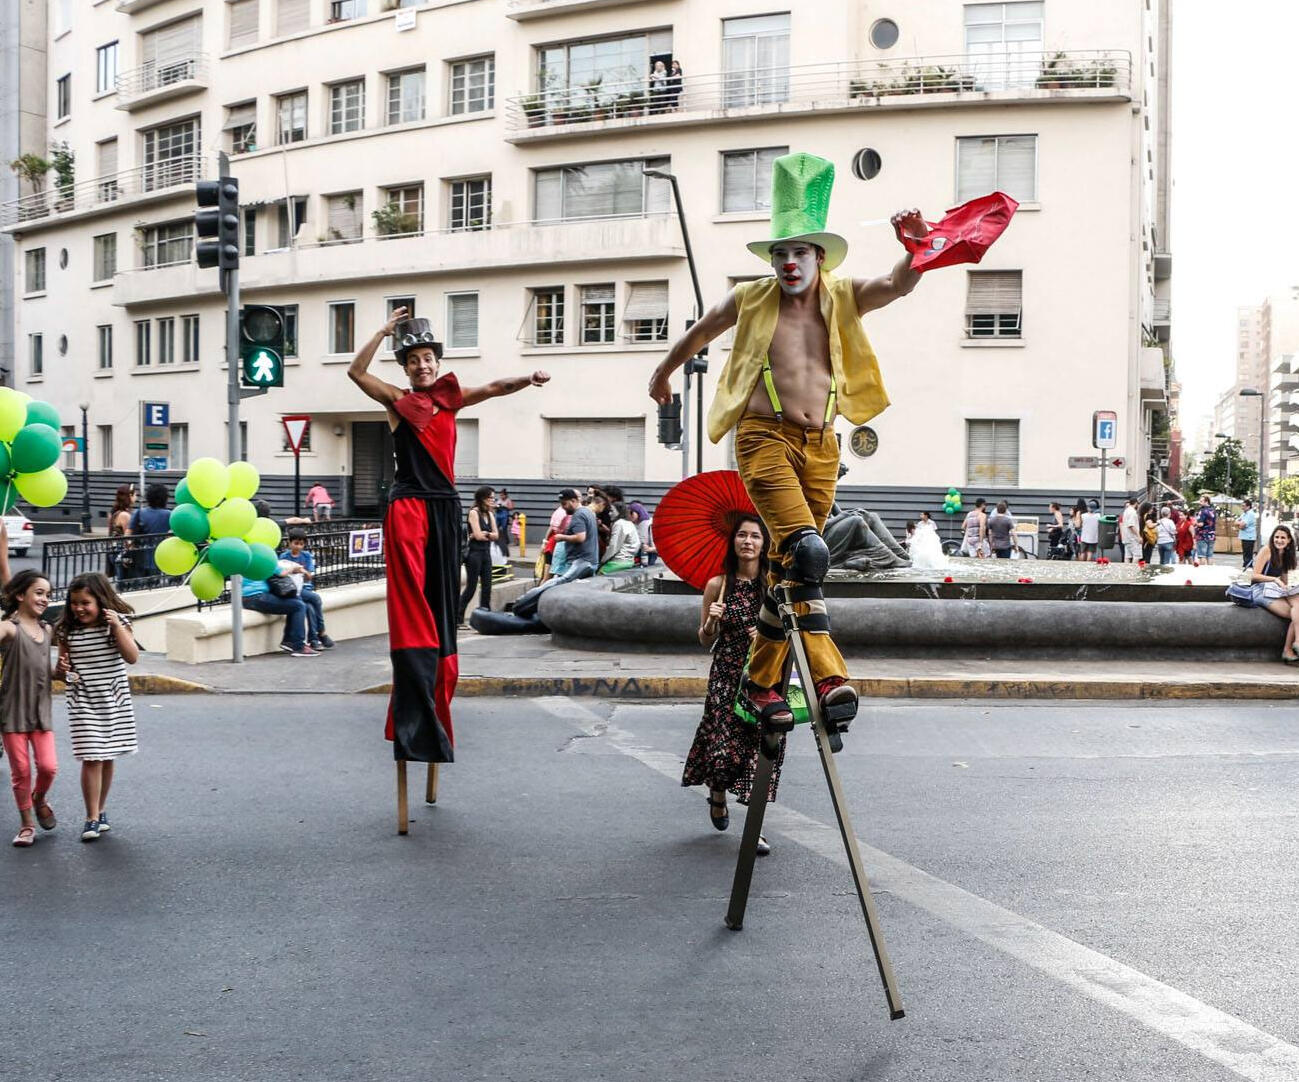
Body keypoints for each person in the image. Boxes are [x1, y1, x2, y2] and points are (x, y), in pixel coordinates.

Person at [649, 151, 927, 730]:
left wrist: (916, 246)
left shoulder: (843, 296)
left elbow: (898, 284)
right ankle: (828, 676)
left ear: (819, 257)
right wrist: (662, 373)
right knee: (808, 552)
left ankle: (759, 685)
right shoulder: (750, 298)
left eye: (799, 252)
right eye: (780, 253)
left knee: (787, 571)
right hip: (763, 437)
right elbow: (700, 331)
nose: (788, 262)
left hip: (823, 444)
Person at [348, 308, 548, 766]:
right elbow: (356, 372)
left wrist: (528, 378)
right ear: (405, 368)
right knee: (412, 596)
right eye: (413, 360)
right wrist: (381, 332)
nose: (422, 365)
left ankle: (437, 675)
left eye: (427, 359)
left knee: (442, 596)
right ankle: (413, 667)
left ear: (437, 363)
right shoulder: (397, 401)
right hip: (410, 505)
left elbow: (495, 388)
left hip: (443, 506)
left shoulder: (451, 401)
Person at [681, 515, 779, 857]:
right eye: (742, 535)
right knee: (723, 744)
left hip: (763, 678)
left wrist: (764, 637)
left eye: (755, 536)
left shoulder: (773, 587)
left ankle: (755, 828)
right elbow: (704, 639)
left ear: (764, 545)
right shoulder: (718, 585)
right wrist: (712, 621)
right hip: (726, 675)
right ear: (733, 542)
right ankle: (718, 793)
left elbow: (788, 636)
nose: (748, 541)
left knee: (760, 752)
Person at [53, 573, 139, 842]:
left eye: (85, 603)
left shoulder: (117, 623)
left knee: (106, 755)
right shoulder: (66, 630)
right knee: (92, 756)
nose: (79, 608)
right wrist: (62, 671)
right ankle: (91, 817)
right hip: (83, 700)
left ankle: (101, 811)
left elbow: (132, 657)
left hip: (113, 700)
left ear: (101, 602)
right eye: (74, 603)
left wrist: (116, 626)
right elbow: (63, 673)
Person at [0, 547, 57, 849]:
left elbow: (44, 669)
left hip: (41, 713)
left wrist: (61, 673)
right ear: (21, 595)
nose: (45, 599)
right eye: (39, 592)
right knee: (21, 771)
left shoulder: (47, 630)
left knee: (48, 768)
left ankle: (39, 797)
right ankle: (26, 824)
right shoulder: (10, 628)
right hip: (12, 713)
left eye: (48, 594)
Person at [279, 528, 334, 650]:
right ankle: (322, 632)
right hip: (292, 588)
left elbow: (309, 575)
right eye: (296, 543)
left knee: (309, 607)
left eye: (301, 544)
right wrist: (295, 570)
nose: (298, 547)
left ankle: (313, 639)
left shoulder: (306, 556)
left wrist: (302, 572)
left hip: (304, 587)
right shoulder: (284, 556)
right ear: (289, 543)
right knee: (316, 598)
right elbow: (282, 573)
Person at [1251, 525, 1299, 662]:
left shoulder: (1286, 554)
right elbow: (1254, 576)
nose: (1279, 540)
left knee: (1297, 603)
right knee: (1295, 613)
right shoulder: (1266, 550)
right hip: (1260, 589)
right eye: (1276, 537)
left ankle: (1295, 644)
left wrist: (1288, 589)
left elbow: (1284, 580)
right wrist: (1275, 580)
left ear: (1289, 540)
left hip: (1275, 590)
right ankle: (1290, 648)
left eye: (1283, 538)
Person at [459, 486, 497, 625]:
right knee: (471, 587)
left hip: (486, 553)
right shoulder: (474, 513)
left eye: (493, 498)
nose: (493, 500)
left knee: (487, 586)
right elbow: (479, 535)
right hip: (474, 554)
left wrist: (486, 534)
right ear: (482, 498)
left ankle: (485, 617)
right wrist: (485, 535)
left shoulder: (490, 514)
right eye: (490, 497)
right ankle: (458, 617)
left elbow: (496, 535)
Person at [126, 482, 172, 580]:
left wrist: (129, 549)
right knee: (155, 585)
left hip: (139, 557)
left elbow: (128, 534)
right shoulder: (169, 515)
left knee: (137, 585)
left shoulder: (139, 512)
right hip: (159, 557)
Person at [600, 501, 640, 573]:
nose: (609, 513)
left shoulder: (619, 524)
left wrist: (603, 560)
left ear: (619, 512)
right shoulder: (629, 523)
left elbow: (613, 546)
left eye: (612, 511)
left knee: (599, 573)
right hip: (629, 561)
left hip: (618, 561)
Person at [106, 484, 136, 579]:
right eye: (135, 495)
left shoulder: (114, 512)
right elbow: (128, 537)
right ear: (129, 496)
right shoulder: (125, 515)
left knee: (121, 581)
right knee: (125, 582)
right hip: (122, 553)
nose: (136, 497)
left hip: (114, 551)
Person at [628, 501, 656, 565]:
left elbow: (658, 547)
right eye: (629, 513)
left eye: (632, 513)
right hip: (634, 554)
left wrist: (649, 549)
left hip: (647, 555)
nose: (630, 516)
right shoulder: (631, 524)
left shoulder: (649, 524)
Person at [1194, 494, 1217, 565]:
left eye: (1201, 501)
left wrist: (1195, 523)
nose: (1200, 503)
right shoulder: (1213, 511)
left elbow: (1201, 524)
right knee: (1210, 556)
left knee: (1202, 556)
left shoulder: (1202, 511)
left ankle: (1203, 570)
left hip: (1202, 536)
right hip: (1212, 535)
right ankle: (1210, 570)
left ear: (1206, 501)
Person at [1237, 499, 1259, 568]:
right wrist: (1239, 524)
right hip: (1244, 536)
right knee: (1245, 553)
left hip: (1249, 537)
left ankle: (1248, 566)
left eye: (1243, 506)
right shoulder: (1244, 514)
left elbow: (1243, 525)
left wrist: (1240, 524)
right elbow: (1236, 522)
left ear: (1248, 506)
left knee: (1248, 554)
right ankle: (1246, 565)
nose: (1242, 507)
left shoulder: (1250, 514)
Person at [1119, 497, 1141, 563]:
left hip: (1126, 537)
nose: (1138, 506)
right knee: (1137, 555)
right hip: (1132, 538)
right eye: (1138, 504)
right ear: (1136, 503)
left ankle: (1126, 568)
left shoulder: (1126, 511)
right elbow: (1131, 525)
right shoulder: (1132, 512)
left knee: (1127, 556)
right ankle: (1133, 568)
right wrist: (1139, 536)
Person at [495, 488, 515, 558]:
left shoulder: (508, 500)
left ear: (505, 495)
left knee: (504, 529)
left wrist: (505, 506)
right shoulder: (499, 500)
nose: (501, 496)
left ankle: (506, 541)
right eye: (500, 495)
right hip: (498, 515)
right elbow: (495, 505)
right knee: (495, 527)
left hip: (504, 515)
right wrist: (497, 506)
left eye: (502, 495)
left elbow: (511, 507)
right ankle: (496, 539)